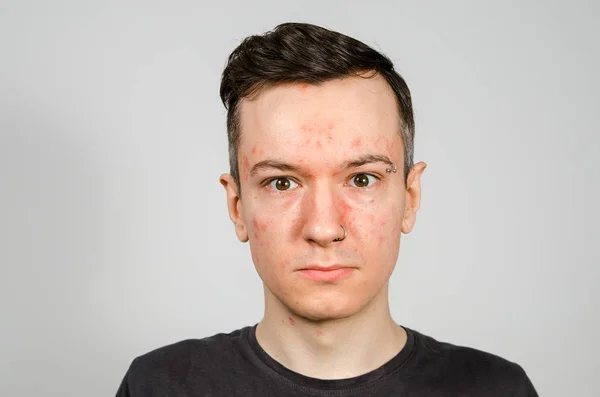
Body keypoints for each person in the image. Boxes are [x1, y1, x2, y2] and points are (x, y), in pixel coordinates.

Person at [115, 22, 538, 396]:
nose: (323, 227)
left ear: (410, 198)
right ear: (237, 205)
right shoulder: (159, 385)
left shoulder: (497, 389)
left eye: (362, 179)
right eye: (282, 183)